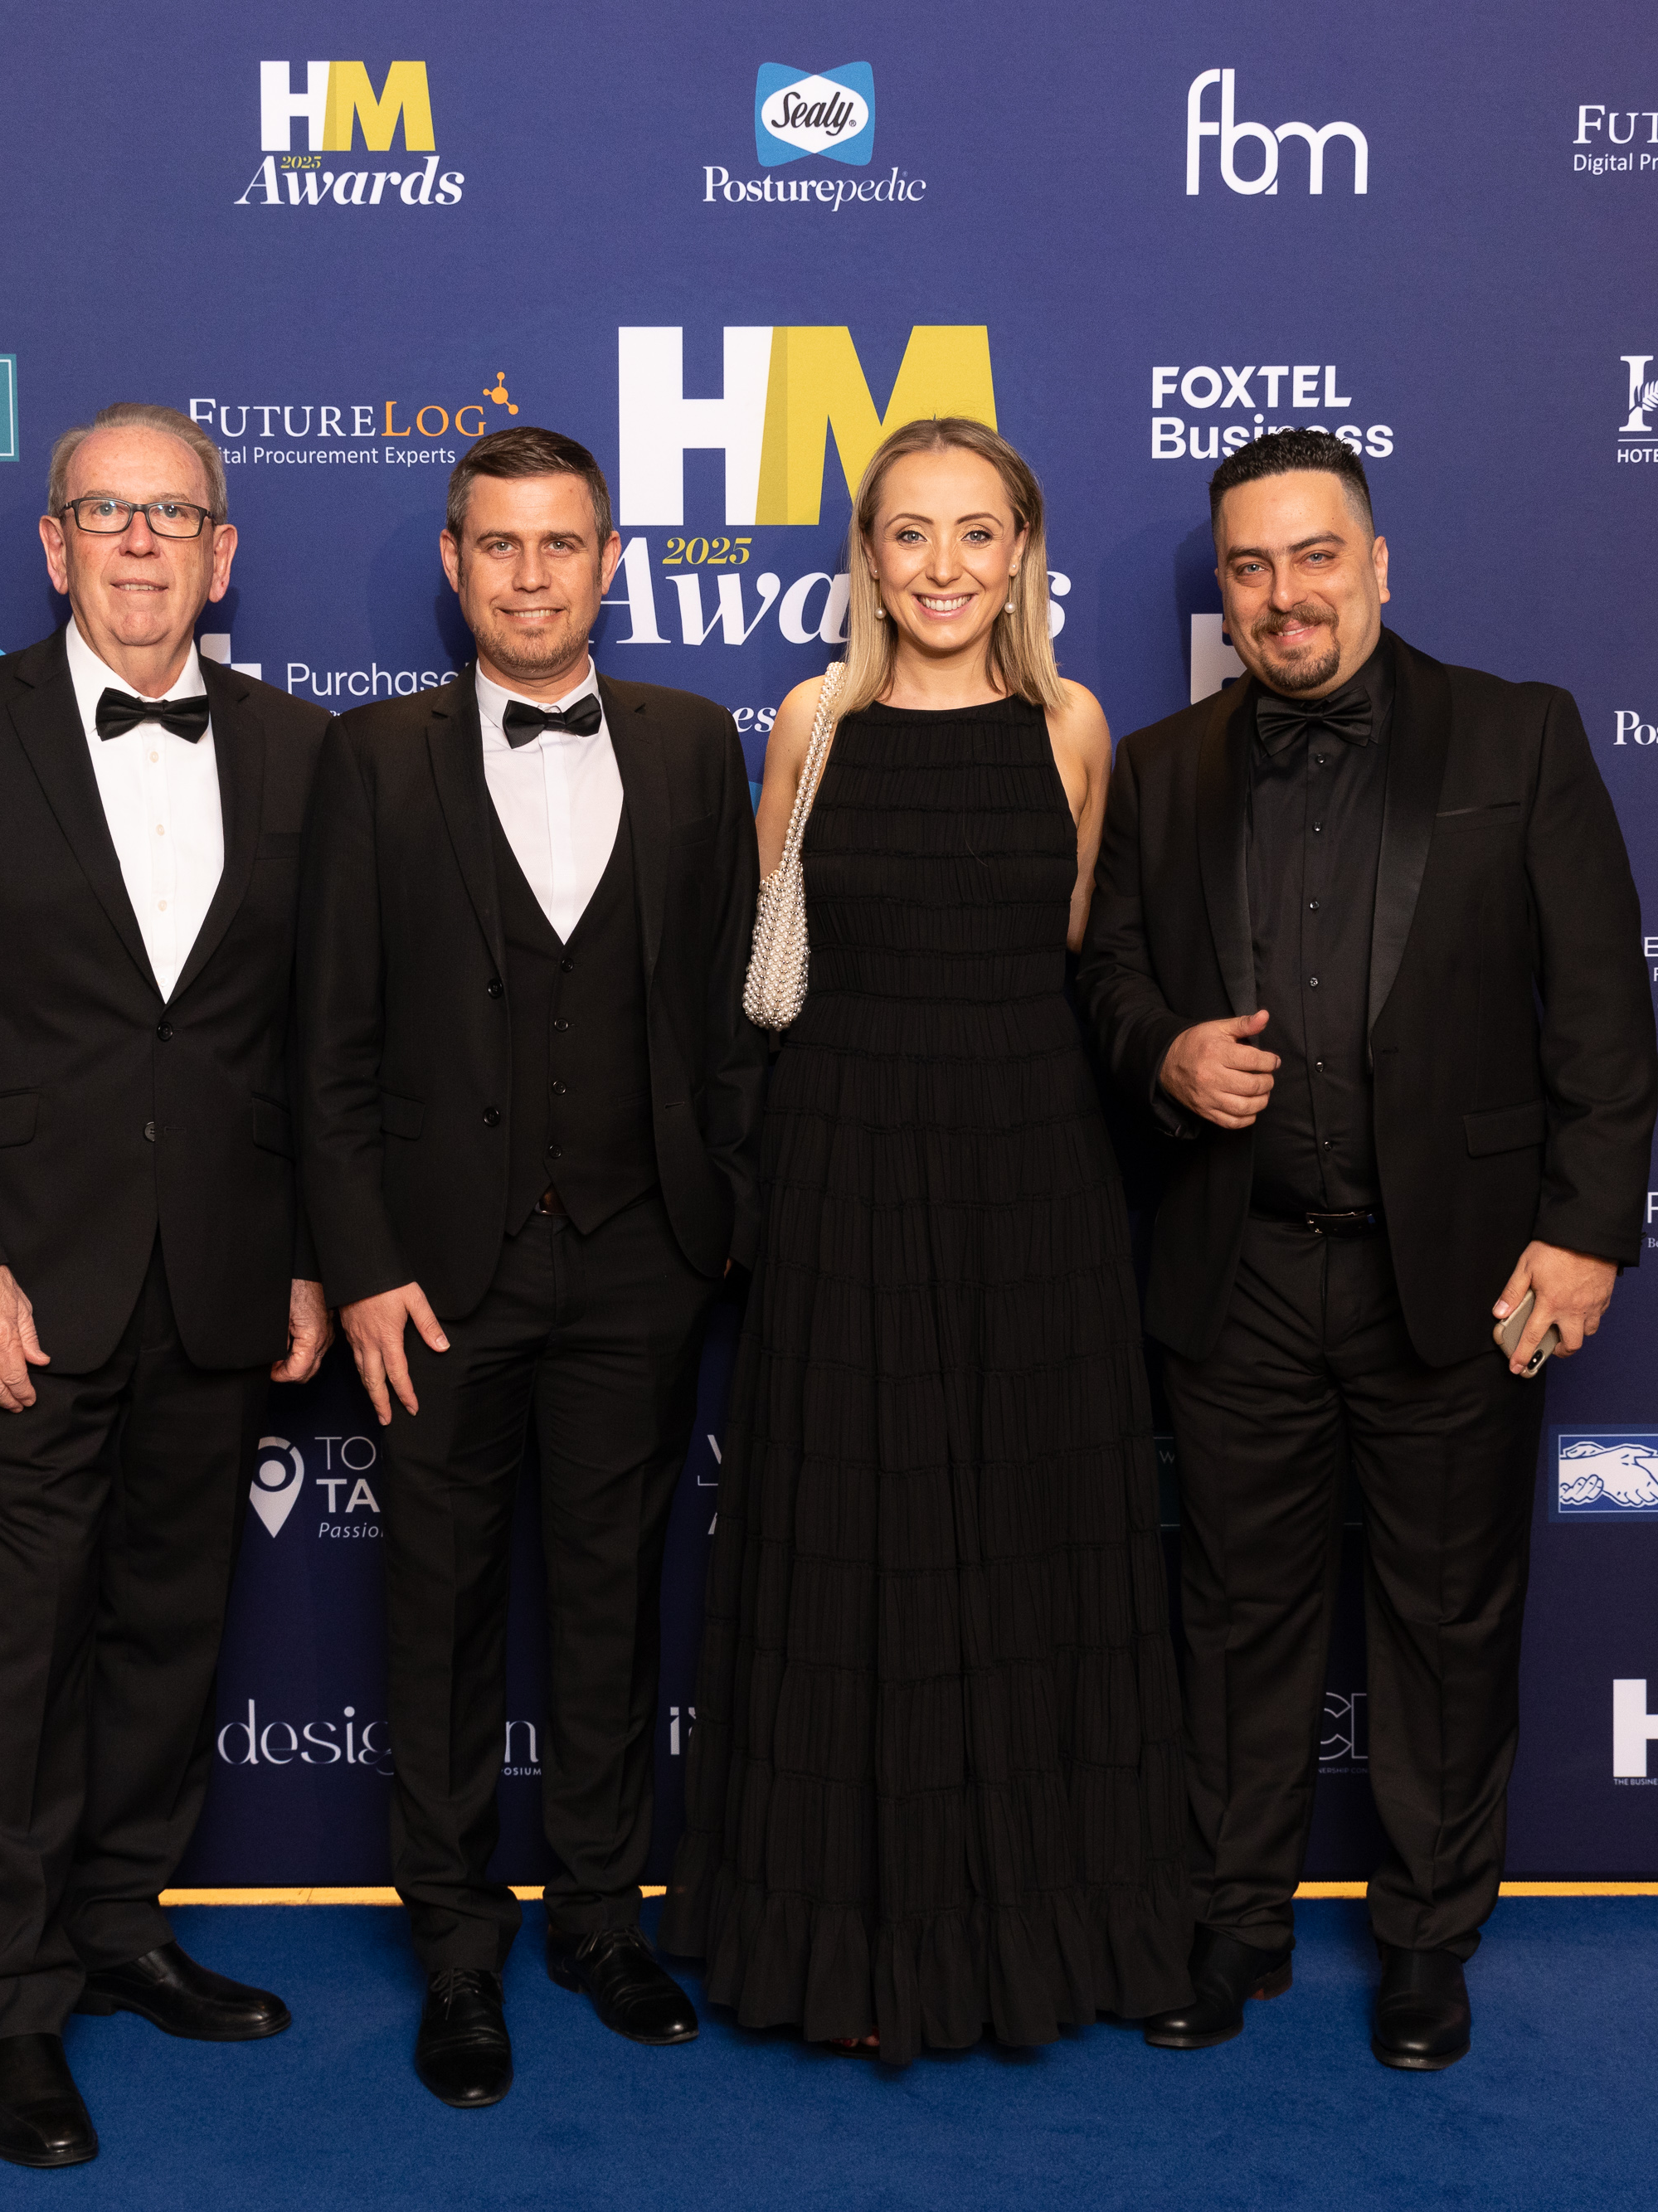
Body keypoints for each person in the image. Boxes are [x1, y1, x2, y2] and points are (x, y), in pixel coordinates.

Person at [1078, 430, 1655, 2069]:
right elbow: (1106, 976)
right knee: (1232, 1613)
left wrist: (1582, 1231)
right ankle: (1232, 1922)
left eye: (1313, 555)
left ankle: (1423, 1939)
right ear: (1224, 589)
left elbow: (1600, 1006)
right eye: (1250, 567)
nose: (1284, 595)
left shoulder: (1517, 734)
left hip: (1461, 1272)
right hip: (1238, 1266)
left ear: (1379, 563)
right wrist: (1164, 1051)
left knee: (1445, 1617)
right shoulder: (1160, 765)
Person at [665, 416, 1192, 2064]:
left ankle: (1052, 1921)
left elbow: (1083, 962)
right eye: (911, 532)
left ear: (1022, 553)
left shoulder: (1074, 727)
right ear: (868, 557)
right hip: (842, 1173)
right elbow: (766, 972)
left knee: (1037, 1543)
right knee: (854, 1546)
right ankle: (839, 1934)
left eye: (978, 532)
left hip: (1033, 1178)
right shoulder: (810, 724)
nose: (944, 566)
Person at [0, 402, 333, 2168]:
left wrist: (308, 1256)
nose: (140, 541)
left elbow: (313, 1037)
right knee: (23, 1642)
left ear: (223, 551)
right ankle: (6, 2003)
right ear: (55, 546)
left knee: (170, 1629)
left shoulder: (297, 749)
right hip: (24, 1284)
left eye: (173, 513)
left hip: (219, 1275)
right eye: (106, 512)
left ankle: (120, 1926)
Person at [294, 425, 766, 2111]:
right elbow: (327, 1041)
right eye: (497, 543)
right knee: (434, 1617)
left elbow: (730, 1006)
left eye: (561, 543)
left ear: (611, 562)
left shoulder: (691, 742)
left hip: (641, 1262)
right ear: (452, 561)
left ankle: (598, 1919)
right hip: (435, 1280)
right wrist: (360, 1264)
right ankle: (453, 1950)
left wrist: (718, 1219)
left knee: (611, 1603)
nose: (529, 574)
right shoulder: (372, 756)